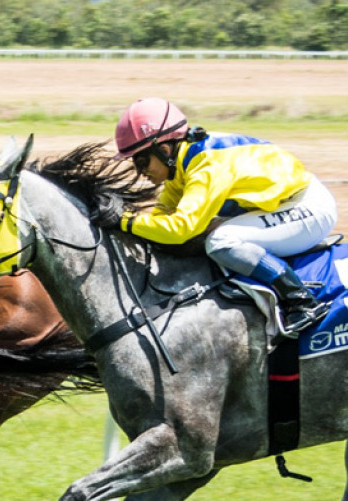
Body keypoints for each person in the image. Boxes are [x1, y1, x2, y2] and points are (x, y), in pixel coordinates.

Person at [110, 97, 337, 334]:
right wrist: (130, 224)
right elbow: (161, 219)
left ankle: (301, 301)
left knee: (221, 241)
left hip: (308, 208)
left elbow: (178, 229)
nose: (140, 172)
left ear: (164, 150)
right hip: (280, 206)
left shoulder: (206, 164)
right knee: (210, 231)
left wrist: (123, 220)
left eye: (141, 161)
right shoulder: (183, 165)